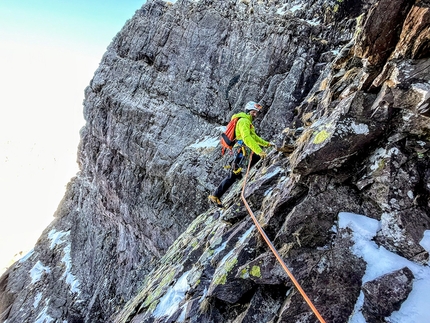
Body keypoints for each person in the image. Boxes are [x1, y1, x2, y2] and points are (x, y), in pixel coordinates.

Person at [208, 101, 272, 207]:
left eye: (256, 113)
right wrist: (259, 151)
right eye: (253, 112)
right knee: (234, 174)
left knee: (236, 174)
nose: (255, 115)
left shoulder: (246, 121)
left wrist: (267, 144)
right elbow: (247, 138)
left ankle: (217, 195)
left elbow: (254, 137)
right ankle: (215, 196)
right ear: (248, 111)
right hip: (242, 151)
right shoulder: (243, 121)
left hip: (243, 151)